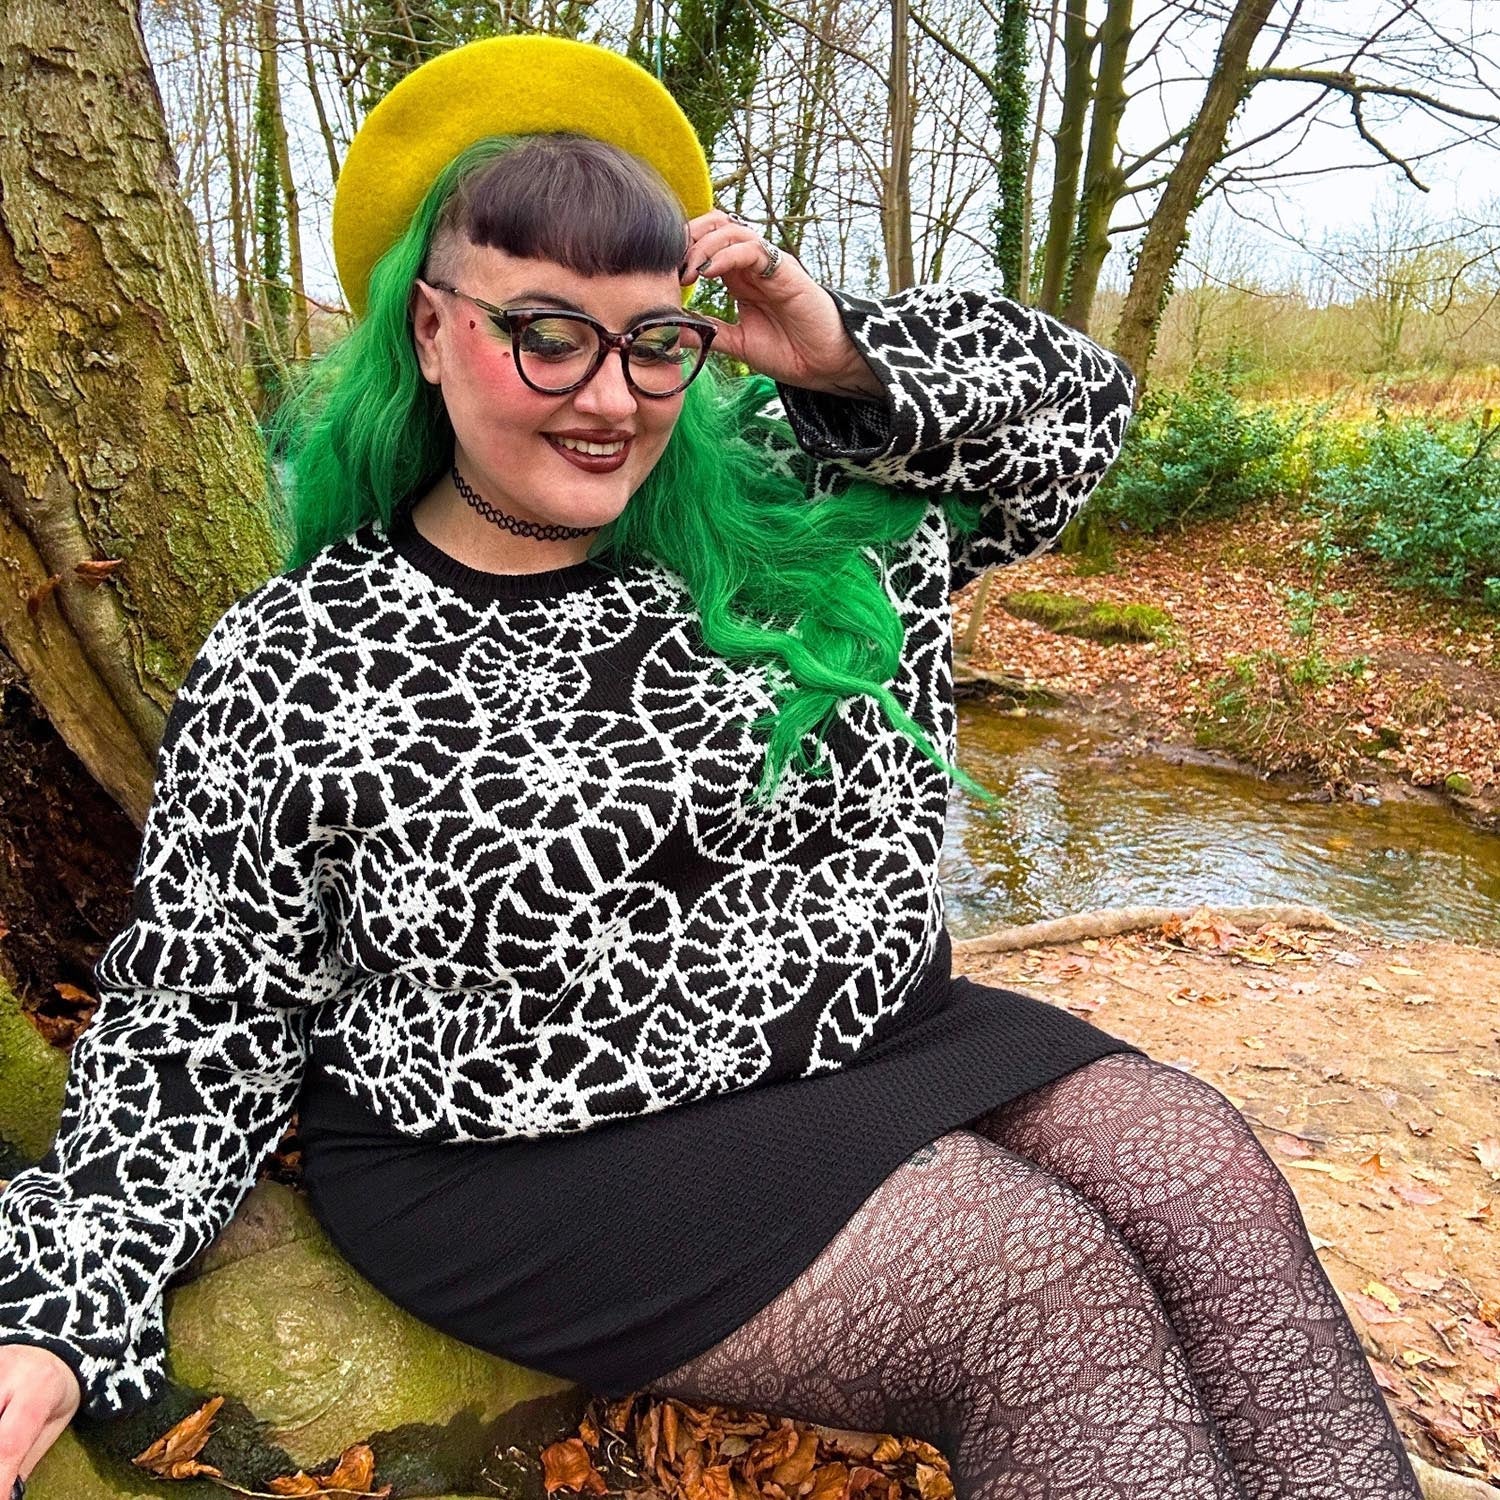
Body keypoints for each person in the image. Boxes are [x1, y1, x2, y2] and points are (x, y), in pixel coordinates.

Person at [0, 33, 1422, 1500]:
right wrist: (56, 1310)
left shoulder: (803, 520)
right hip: (523, 1145)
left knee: (1196, 1161)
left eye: (654, 340)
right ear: (426, 328)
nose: (610, 397)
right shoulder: (305, 653)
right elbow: (204, 1007)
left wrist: (837, 349)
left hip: (858, 1038)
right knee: (1035, 1286)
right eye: (546, 334)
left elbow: (1079, 416)